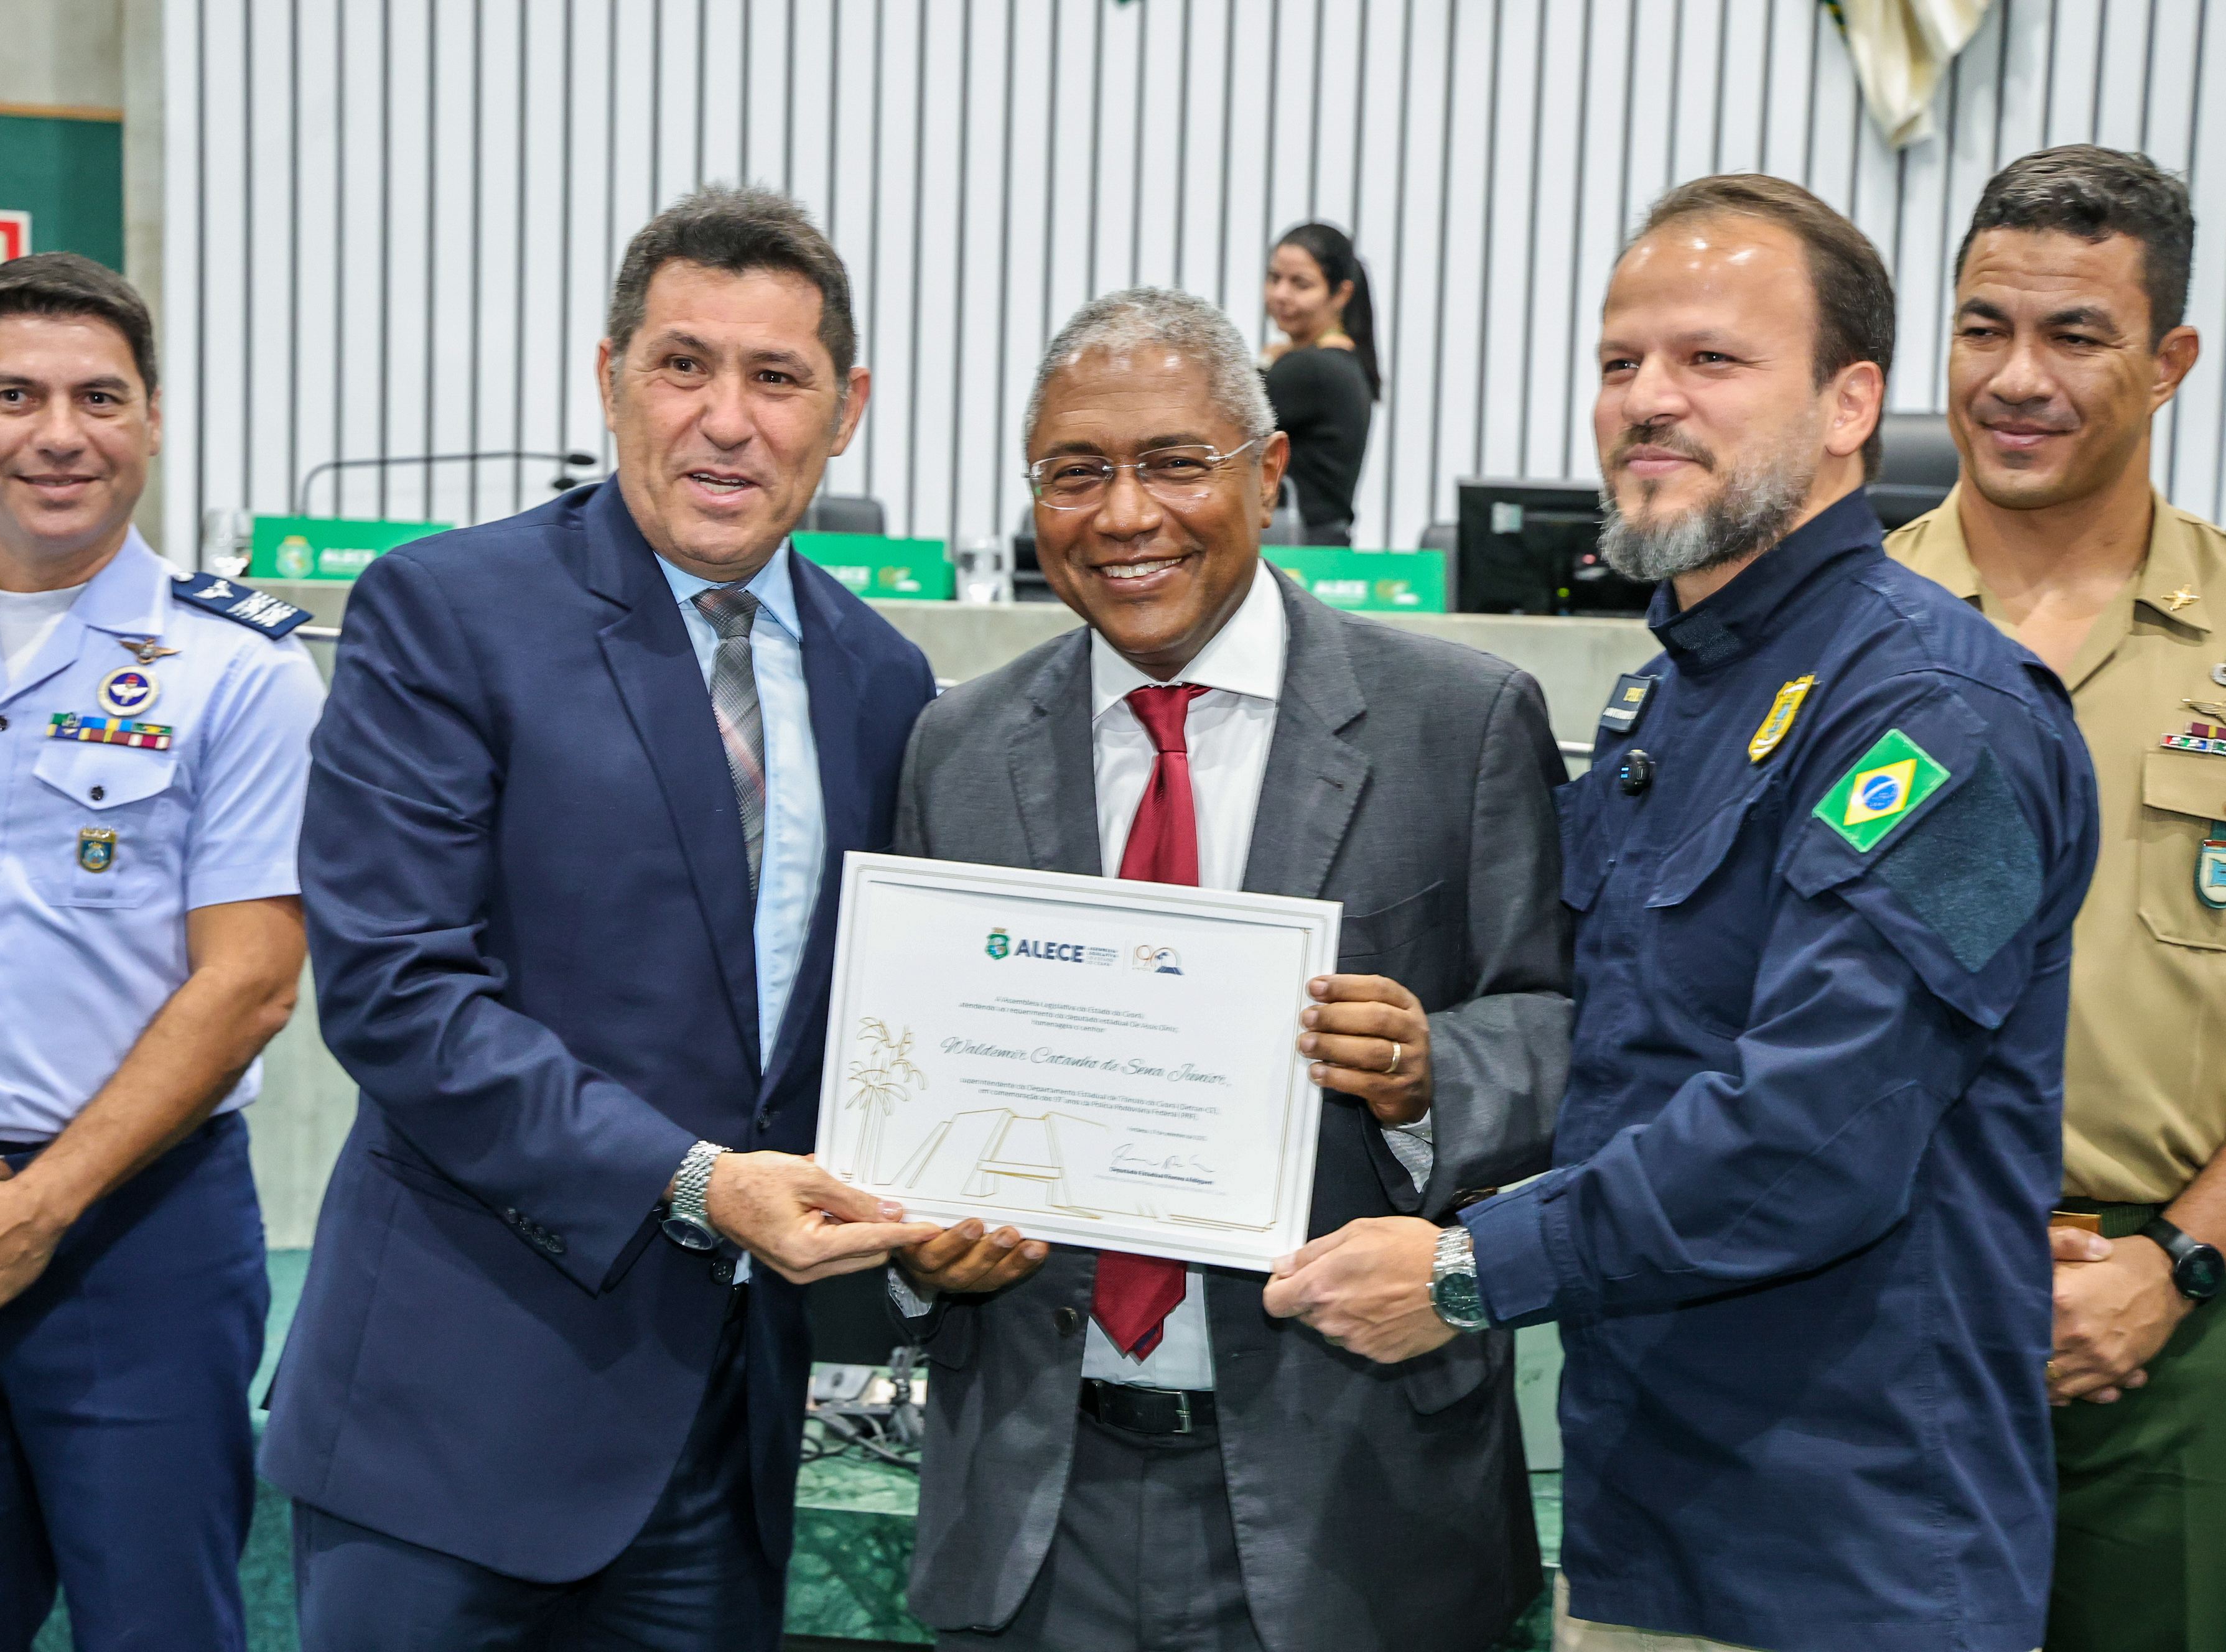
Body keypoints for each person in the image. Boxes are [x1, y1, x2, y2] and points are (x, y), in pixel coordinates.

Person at [1267, 175, 2099, 1652]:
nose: (1648, 398)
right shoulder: (1670, 695)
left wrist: (1469, 1271)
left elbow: (1817, 1133)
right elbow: (1627, 1044)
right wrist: (1430, 1066)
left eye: (1711, 358)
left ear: (1851, 404)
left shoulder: (1936, 716)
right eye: (1620, 360)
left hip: (1850, 1552)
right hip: (1650, 1517)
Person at [260, 185, 941, 1651]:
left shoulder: (886, 680)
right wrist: (697, 1180)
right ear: (609, 375)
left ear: (848, 408)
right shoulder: (447, 612)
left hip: (721, 1445)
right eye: (684, 365)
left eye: (777, 377)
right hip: (450, 1425)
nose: (725, 420)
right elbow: (396, 994)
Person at [888, 287, 1573, 1652]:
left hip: (1354, 1498)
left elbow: (1562, 1024)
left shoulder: (1459, 720)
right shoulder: (953, 749)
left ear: (1268, 475)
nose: (1123, 514)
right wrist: (922, 1246)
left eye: (1172, 462)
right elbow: (909, 1070)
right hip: (1033, 1502)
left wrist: (1431, 1069)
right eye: (1074, 472)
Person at [0, 252, 321, 1650]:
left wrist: (38, 1209)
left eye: (99, 397)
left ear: (152, 417)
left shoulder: (242, 672)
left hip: (139, 1242)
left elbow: (250, 982)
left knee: (159, 1627)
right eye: (15, 394)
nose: (59, 434)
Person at [1885, 145, 2226, 1652]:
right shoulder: (1841, 630)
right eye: (1983, 328)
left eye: (2075, 335)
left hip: (2195, 1327)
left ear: (2170, 361)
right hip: (1877, 1304)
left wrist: (2174, 1262)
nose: (2016, 379)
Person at [1260, 223, 1378, 544]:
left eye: (1300, 284)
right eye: (1274, 278)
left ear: (1341, 294)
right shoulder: (1341, 361)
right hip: (1321, 546)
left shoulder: (1312, 369)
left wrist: (1266, 363)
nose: (1281, 294)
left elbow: (1222, 417)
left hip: (1297, 550)